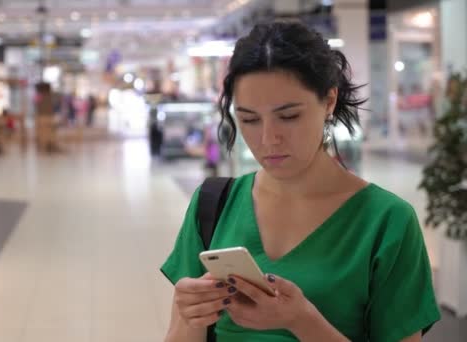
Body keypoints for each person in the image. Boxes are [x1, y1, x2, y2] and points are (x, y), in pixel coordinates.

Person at [160, 22, 440, 342]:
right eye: (249, 119)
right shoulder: (213, 204)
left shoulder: (387, 221)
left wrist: (302, 320)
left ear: (329, 102)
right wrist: (191, 315)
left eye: (289, 116)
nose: (268, 139)